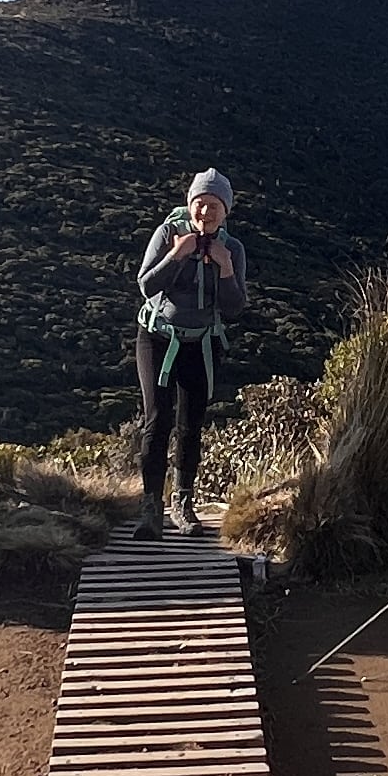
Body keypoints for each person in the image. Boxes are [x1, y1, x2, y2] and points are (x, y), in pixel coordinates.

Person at [133, 168, 250, 533]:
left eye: (214, 206)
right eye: (200, 204)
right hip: (158, 338)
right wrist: (177, 256)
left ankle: (182, 503)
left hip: (202, 342)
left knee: (191, 425)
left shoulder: (232, 249)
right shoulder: (169, 233)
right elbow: (146, 285)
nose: (205, 213)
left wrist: (226, 268)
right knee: (158, 419)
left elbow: (234, 308)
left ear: (225, 211)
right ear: (189, 204)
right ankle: (151, 507)